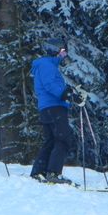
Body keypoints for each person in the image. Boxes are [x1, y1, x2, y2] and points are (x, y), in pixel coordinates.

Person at [30, 38, 85, 184]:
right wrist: (66, 94)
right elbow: (50, 84)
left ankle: (39, 171)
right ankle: (53, 173)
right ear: (54, 50)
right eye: (63, 51)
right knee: (63, 139)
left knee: (51, 140)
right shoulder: (46, 65)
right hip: (54, 107)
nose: (64, 55)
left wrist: (70, 92)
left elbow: (52, 85)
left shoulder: (46, 65)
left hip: (48, 107)